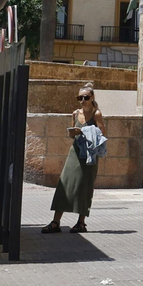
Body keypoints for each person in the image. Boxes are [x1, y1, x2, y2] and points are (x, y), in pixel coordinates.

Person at [45, 82, 106, 234]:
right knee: (64, 184)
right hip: (75, 152)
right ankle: (55, 221)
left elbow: (102, 133)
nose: (82, 101)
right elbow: (71, 134)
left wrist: (85, 131)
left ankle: (81, 222)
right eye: (80, 97)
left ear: (92, 97)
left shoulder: (96, 114)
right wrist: (74, 132)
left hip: (89, 155)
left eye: (85, 97)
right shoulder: (75, 113)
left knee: (84, 187)